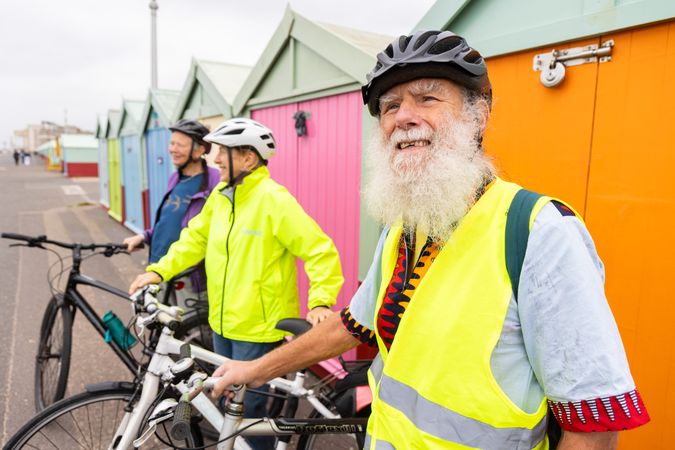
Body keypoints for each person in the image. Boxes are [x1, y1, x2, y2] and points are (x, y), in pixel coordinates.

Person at [209, 31, 650, 449]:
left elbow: (595, 420)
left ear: (477, 114)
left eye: (427, 98)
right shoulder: (403, 226)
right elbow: (352, 326)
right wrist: (256, 369)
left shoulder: (539, 231)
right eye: (390, 105)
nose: (403, 117)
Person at [129, 117, 344, 450]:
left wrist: (320, 302)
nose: (215, 159)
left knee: (249, 414)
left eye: (223, 152)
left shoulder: (274, 200)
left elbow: (320, 250)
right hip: (221, 322)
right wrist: (159, 271)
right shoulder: (221, 196)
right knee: (227, 403)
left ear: (248, 157)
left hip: (257, 330)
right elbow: (195, 239)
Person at [124, 119, 220, 298]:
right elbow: (170, 221)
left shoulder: (215, 182)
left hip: (189, 278)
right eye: (172, 143)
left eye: (180, 145)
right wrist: (145, 236)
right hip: (158, 271)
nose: (172, 149)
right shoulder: (175, 178)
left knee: (189, 326)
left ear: (200, 150)